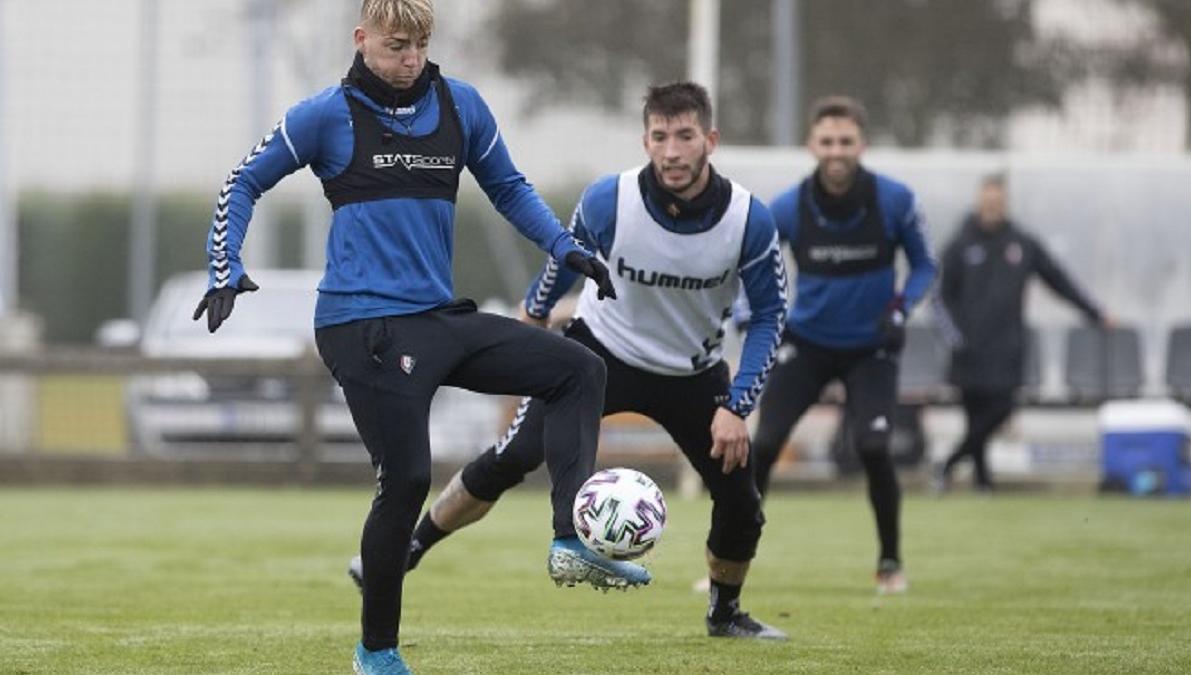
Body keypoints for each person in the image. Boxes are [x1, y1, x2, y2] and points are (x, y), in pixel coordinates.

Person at [190, 2, 633, 672]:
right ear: (361, 39)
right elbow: (241, 181)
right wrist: (227, 265)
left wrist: (566, 249)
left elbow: (509, 187)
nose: (410, 60)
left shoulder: (462, 107)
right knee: (408, 480)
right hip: (358, 323)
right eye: (397, 46)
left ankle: (571, 536)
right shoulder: (325, 116)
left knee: (578, 369)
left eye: (420, 47)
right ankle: (376, 652)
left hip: (437, 317)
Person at [349, 81, 790, 639]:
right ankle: (409, 548)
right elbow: (563, 261)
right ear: (645, 140)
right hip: (600, 353)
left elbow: (772, 316)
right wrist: (532, 317)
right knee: (512, 458)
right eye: (660, 136)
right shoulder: (610, 200)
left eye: (685, 136)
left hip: (694, 375)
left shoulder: (750, 219)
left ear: (711, 140)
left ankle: (725, 615)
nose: (673, 151)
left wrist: (738, 404)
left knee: (741, 502)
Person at [750, 96, 938, 595]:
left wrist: (901, 306)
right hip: (806, 344)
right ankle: (727, 561)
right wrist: (755, 315)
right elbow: (754, 266)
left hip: (870, 348)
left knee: (874, 447)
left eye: (846, 142)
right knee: (762, 446)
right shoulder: (787, 207)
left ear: (862, 144)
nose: (836, 151)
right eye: (827, 141)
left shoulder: (895, 200)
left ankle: (890, 562)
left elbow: (924, 266)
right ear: (812, 144)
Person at [934, 174, 1111, 493]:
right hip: (968, 350)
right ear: (978, 201)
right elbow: (939, 299)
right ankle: (983, 483)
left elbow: (1057, 279)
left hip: (1007, 347)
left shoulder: (1021, 243)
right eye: (987, 200)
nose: (992, 206)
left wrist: (1095, 312)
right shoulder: (959, 245)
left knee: (1001, 409)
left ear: (1005, 203)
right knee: (974, 419)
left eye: (998, 201)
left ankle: (948, 464)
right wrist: (954, 338)